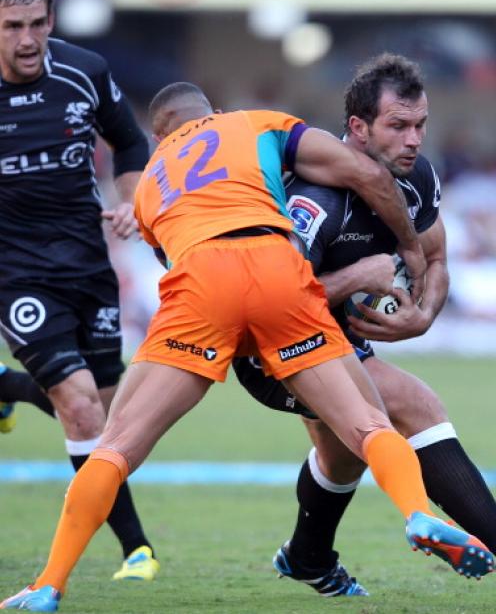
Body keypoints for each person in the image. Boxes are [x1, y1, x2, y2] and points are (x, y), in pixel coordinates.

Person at [1, 82, 493, 612]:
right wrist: (406, 260)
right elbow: (367, 175)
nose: (413, 139)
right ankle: (417, 512)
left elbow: (176, 255)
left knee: (116, 446)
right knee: (371, 423)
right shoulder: (255, 123)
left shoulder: (147, 187)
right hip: (275, 268)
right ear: (214, 113)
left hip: (200, 278)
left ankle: (49, 583)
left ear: (158, 136)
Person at [232, 53, 496, 596]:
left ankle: (306, 557)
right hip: (270, 349)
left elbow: (438, 255)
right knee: (411, 405)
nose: (414, 139)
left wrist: (424, 315)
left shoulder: (416, 177)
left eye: (420, 124)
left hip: (336, 342)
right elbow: (266, 305)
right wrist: (357, 276)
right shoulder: (314, 201)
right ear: (357, 129)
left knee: (344, 452)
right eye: (397, 126)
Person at [0, 0, 159, 581]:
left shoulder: (84, 72)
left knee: (109, 415)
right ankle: (137, 549)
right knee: (81, 408)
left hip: (88, 264)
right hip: (16, 274)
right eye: (13, 26)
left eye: (37, 24)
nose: (27, 39)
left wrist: (132, 199)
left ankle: (9, 389)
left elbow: (130, 144)